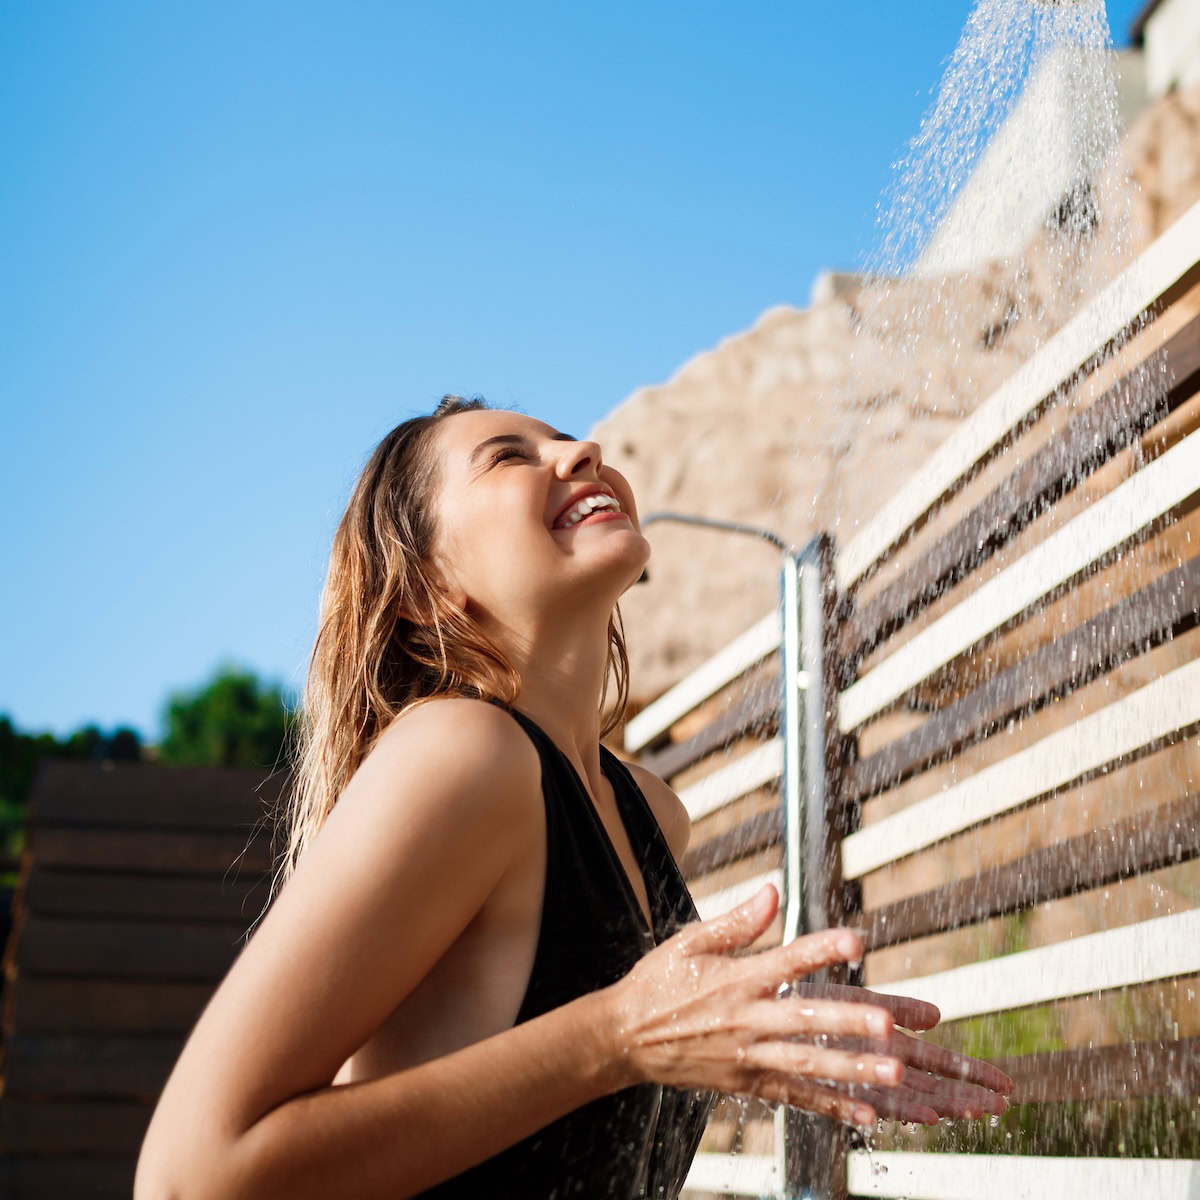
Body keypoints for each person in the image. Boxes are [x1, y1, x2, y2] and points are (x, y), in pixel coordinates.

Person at [134, 395, 1011, 1200]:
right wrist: (620, 1035)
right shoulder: (461, 751)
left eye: (566, 438)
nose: (584, 450)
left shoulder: (649, 812)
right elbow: (192, 1174)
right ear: (425, 588)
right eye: (508, 456)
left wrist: (744, 1032)